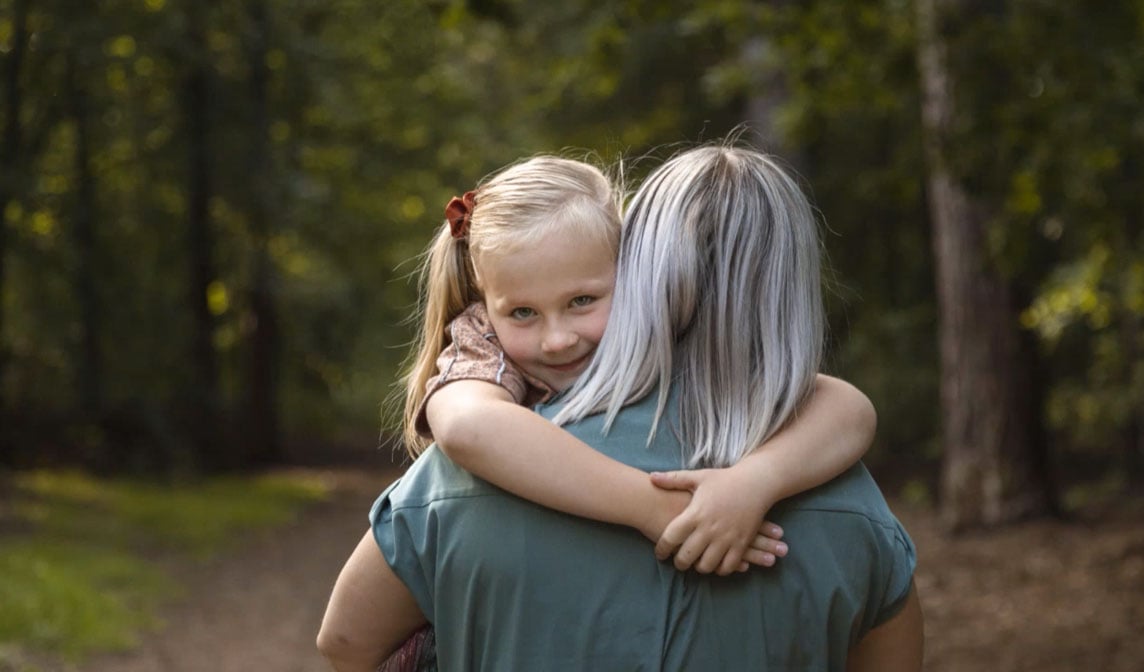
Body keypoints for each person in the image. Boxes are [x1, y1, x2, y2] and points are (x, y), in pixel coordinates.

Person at [318, 146, 920, 671]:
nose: (556, 340)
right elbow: (469, 425)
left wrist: (754, 482)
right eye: (522, 313)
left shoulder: (447, 490)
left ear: (633, 272)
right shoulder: (851, 504)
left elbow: (344, 642)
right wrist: (652, 505)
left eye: (583, 300)